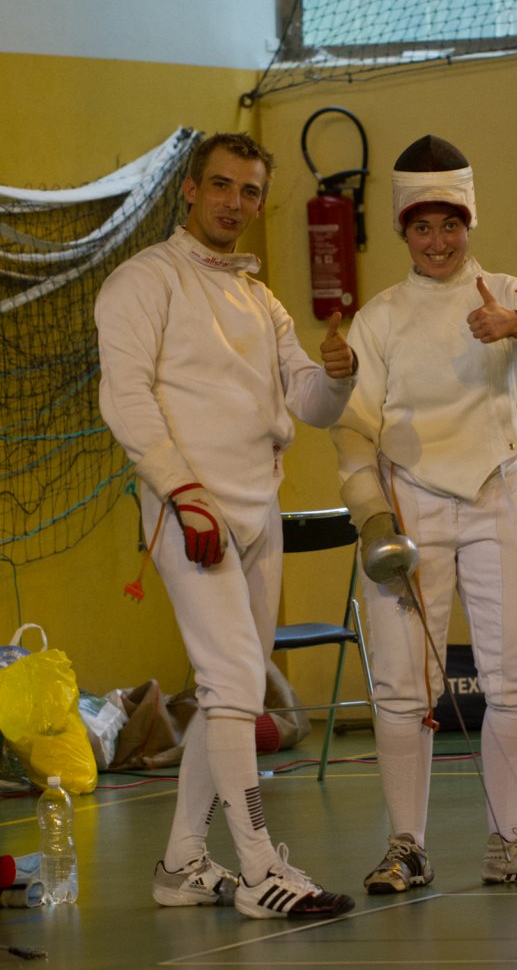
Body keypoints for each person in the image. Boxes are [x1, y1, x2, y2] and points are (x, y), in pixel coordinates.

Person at [95, 132, 356, 919]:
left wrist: (338, 375)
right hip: (190, 509)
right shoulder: (144, 281)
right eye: (220, 185)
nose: (233, 203)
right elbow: (126, 397)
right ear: (190, 189)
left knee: (227, 690)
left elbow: (306, 400)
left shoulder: (259, 298)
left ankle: (182, 862)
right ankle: (258, 868)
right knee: (236, 680)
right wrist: (182, 490)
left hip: (257, 507)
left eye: (248, 191)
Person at [330, 134, 517, 894]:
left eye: (450, 225)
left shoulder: (503, 292)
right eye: (422, 227)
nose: (438, 242)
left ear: (468, 223)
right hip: (409, 510)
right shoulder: (378, 318)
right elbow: (352, 430)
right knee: (401, 689)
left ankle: (511, 844)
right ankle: (405, 846)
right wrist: (371, 514)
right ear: (404, 230)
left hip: (500, 500)